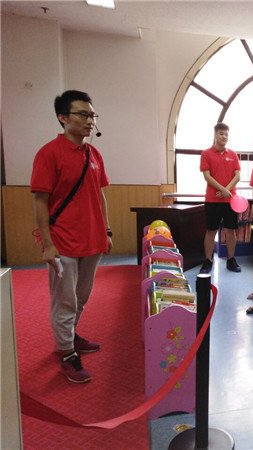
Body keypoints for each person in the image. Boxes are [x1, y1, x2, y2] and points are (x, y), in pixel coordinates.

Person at [30, 90, 112, 383]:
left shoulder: (94, 154)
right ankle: (66, 352)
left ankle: (71, 335)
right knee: (64, 300)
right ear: (63, 118)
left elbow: (99, 195)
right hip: (63, 241)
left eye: (92, 115)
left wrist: (106, 230)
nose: (90, 121)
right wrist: (47, 244)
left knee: (81, 296)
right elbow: (40, 201)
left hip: (92, 240)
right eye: (83, 114)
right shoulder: (49, 153)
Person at [199, 123, 242, 273]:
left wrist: (226, 190)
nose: (224, 136)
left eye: (226, 134)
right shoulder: (206, 153)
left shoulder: (233, 154)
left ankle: (231, 260)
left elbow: (237, 176)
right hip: (212, 200)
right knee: (211, 231)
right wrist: (222, 189)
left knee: (231, 231)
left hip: (230, 200)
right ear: (215, 135)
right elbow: (207, 176)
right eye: (221, 133)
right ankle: (208, 261)